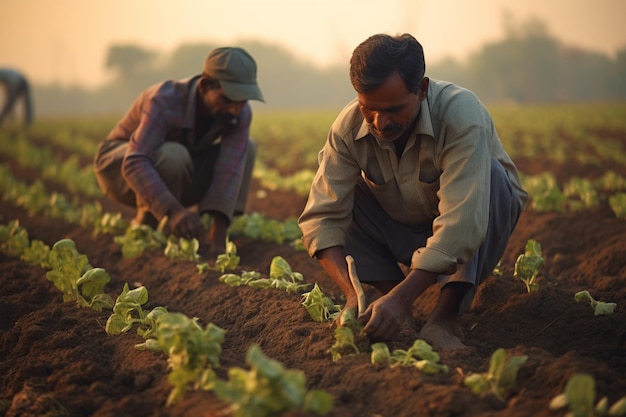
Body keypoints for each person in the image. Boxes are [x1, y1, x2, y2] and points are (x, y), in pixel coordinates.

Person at [298, 34, 528, 350]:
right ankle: (393, 302)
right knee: (342, 198)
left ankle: (444, 318)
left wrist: (403, 299)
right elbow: (321, 219)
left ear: (421, 90)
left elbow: (462, 223)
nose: (379, 122)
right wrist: (353, 295)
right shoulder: (347, 128)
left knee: (490, 176)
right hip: (401, 227)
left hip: (475, 229)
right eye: (368, 109)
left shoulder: (459, 113)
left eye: (393, 109)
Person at [94, 46, 264, 260]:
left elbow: (229, 170)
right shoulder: (165, 100)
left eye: (242, 101)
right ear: (204, 86)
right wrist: (174, 212)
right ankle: (146, 225)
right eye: (227, 99)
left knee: (247, 148)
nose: (234, 109)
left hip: (174, 170)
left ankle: (184, 224)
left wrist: (218, 240)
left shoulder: (239, 113)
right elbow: (135, 161)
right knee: (174, 154)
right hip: (119, 169)